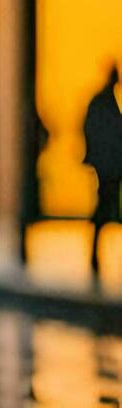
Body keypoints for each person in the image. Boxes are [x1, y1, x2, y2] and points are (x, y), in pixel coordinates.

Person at [84, 63, 122, 281]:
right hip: (107, 165)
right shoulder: (103, 102)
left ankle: (96, 253)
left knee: (107, 206)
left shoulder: (108, 102)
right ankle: (95, 254)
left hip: (110, 164)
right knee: (105, 206)